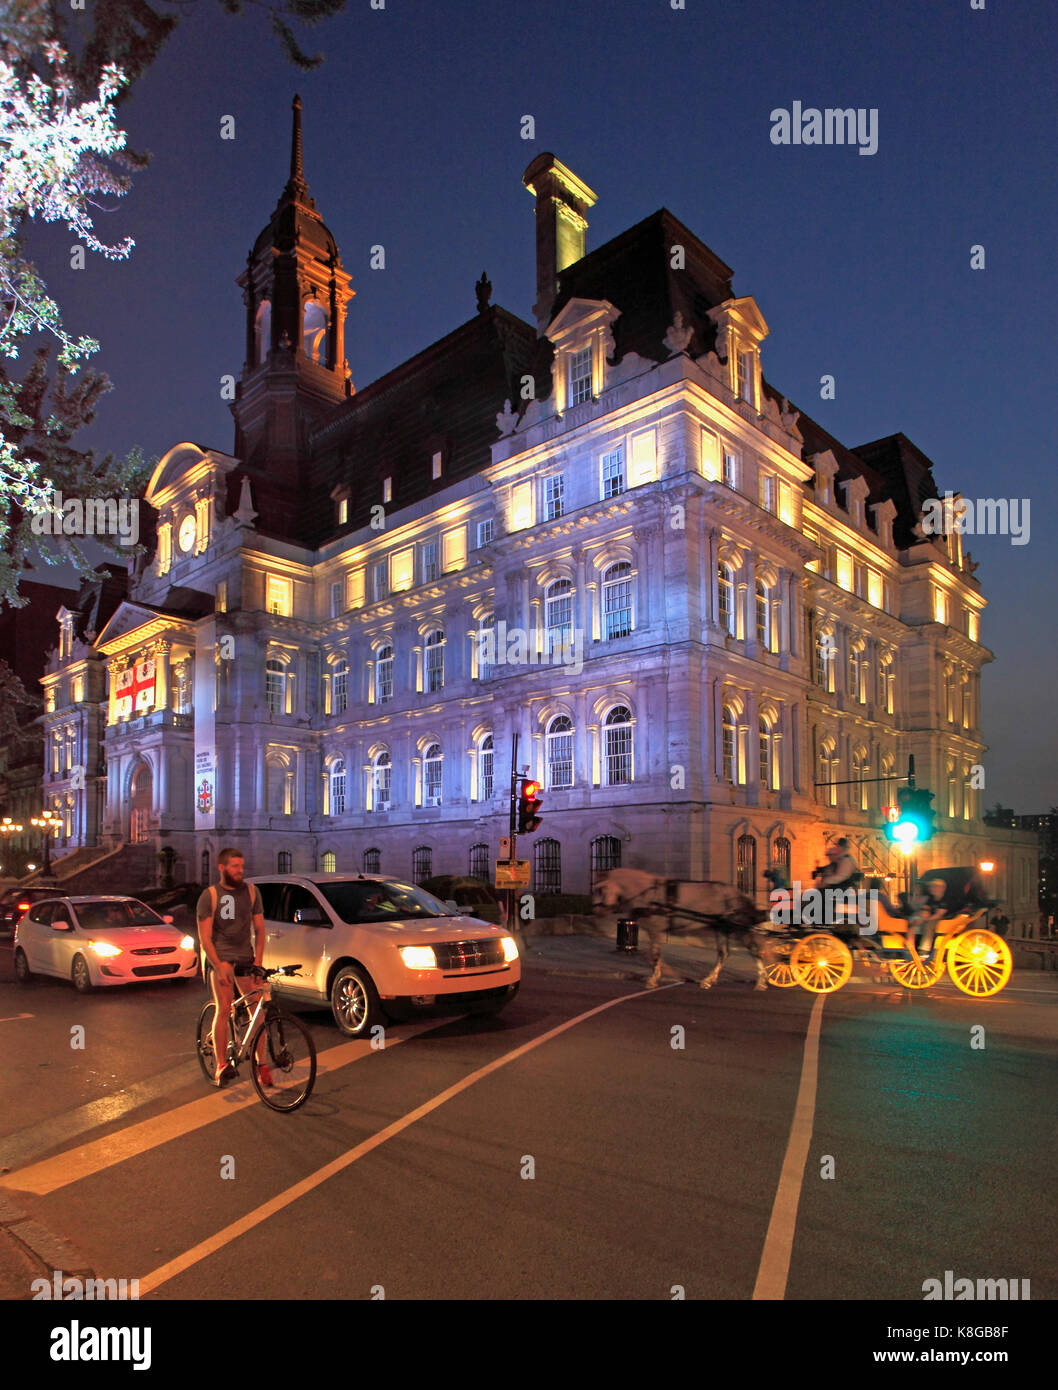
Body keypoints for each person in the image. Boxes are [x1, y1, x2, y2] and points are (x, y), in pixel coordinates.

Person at [197, 848, 269, 1088]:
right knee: (224, 1008)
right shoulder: (210, 896)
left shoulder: (251, 892)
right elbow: (205, 938)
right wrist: (218, 965)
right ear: (222, 868)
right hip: (221, 960)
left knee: (257, 1011)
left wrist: (258, 963)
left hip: (245, 958)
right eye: (234, 866)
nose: (240, 870)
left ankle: (263, 1064)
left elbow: (260, 930)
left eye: (241, 865)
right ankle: (220, 1066)